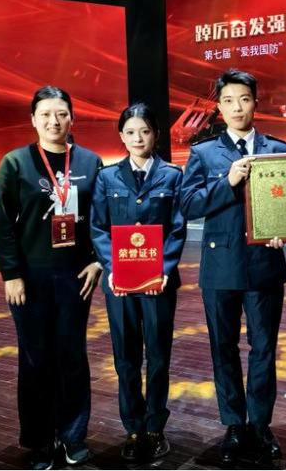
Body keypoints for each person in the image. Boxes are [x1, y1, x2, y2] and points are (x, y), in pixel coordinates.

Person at [180, 69, 286, 463]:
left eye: (244, 99)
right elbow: (189, 205)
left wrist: (285, 229)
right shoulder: (204, 153)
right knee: (223, 348)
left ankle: (260, 423)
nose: (237, 107)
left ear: (255, 103)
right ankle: (233, 425)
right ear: (220, 108)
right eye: (228, 101)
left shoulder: (279, 150)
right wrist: (226, 182)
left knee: (264, 348)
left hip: (264, 264)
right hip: (220, 266)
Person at [0, 86, 103, 469]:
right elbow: (3, 223)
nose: (54, 122)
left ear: (72, 118)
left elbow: (102, 219)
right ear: (33, 119)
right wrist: (11, 274)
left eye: (61, 114)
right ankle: (39, 438)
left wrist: (98, 261)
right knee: (35, 357)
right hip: (31, 278)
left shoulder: (90, 161)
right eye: (45, 114)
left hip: (76, 275)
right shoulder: (15, 163)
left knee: (72, 354)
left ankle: (73, 435)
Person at [90, 103, 186, 463]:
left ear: (156, 135)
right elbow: (98, 228)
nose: (137, 138)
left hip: (159, 282)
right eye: (130, 132)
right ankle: (132, 429)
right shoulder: (107, 177)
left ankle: (155, 428)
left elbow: (177, 228)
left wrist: (165, 267)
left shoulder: (172, 176)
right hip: (119, 284)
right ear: (121, 136)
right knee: (126, 358)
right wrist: (111, 267)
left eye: (144, 131)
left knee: (158, 356)